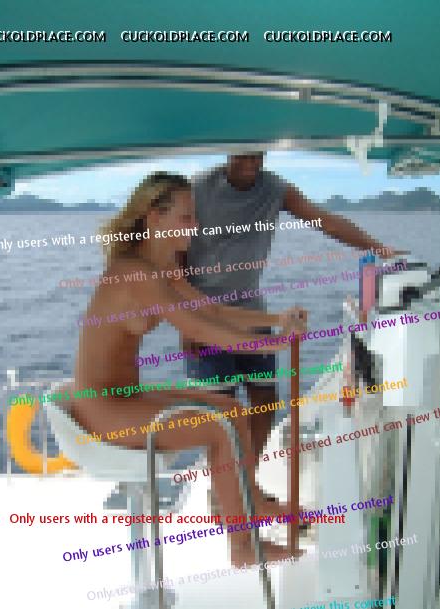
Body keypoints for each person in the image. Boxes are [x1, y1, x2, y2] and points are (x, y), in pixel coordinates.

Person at [60, 172, 307, 567]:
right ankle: (242, 548)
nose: (195, 226)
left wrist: (276, 320)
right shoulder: (135, 272)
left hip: (125, 396)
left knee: (233, 412)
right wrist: (276, 344)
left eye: (195, 216)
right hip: (101, 408)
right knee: (219, 428)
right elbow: (197, 329)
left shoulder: (161, 266)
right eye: (186, 217)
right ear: (154, 217)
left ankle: (252, 502)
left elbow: (210, 310)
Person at [186, 153, 398, 456]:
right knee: (221, 411)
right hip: (205, 318)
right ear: (229, 150)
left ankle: (250, 475)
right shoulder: (198, 188)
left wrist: (378, 248)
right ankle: (224, 483)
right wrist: (187, 323)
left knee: (264, 400)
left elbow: (327, 222)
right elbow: (175, 254)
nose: (251, 161)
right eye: (243, 153)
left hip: (252, 313)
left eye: (258, 154)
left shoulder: (275, 188)